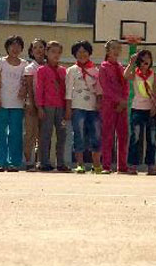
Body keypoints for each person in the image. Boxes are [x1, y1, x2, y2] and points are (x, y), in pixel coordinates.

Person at [0, 35, 28, 172]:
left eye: (18, 45)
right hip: (1, 103)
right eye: (12, 45)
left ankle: (14, 162)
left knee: (16, 134)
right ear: (7, 47)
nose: (15, 48)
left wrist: (24, 91)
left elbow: (25, 82)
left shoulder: (25, 64)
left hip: (18, 104)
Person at [66, 40, 101, 174]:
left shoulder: (96, 70)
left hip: (93, 107)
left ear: (89, 53)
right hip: (78, 105)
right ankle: (80, 164)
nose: (82, 54)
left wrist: (99, 102)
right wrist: (69, 108)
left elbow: (99, 89)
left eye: (85, 51)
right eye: (79, 52)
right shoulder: (71, 70)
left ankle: (96, 164)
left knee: (96, 134)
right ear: (75, 54)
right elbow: (68, 90)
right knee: (79, 134)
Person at [125, 49, 156, 176]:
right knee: (135, 137)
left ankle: (151, 165)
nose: (145, 62)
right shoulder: (135, 74)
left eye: (148, 59)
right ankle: (132, 165)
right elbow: (125, 76)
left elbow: (155, 92)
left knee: (151, 138)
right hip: (137, 108)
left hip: (150, 109)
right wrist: (131, 63)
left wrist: (155, 107)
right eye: (143, 59)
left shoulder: (154, 75)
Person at [35, 41, 69, 172]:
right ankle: (44, 162)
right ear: (47, 53)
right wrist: (40, 107)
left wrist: (67, 108)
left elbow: (66, 90)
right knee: (45, 134)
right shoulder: (42, 70)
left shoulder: (63, 71)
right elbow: (39, 89)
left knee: (62, 134)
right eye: (53, 52)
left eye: (59, 52)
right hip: (47, 106)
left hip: (60, 106)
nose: (56, 55)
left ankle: (60, 162)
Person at [98, 40, 130, 174]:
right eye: (114, 48)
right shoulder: (104, 67)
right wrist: (118, 100)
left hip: (122, 106)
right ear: (108, 51)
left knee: (123, 135)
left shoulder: (121, 67)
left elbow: (126, 85)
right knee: (107, 135)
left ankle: (122, 165)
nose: (116, 51)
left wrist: (124, 101)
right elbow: (106, 88)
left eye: (119, 48)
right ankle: (106, 165)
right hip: (109, 105)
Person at [22, 38, 47, 171]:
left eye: (41, 47)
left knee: (43, 135)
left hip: (46, 105)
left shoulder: (49, 66)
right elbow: (29, 88)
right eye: (35, 48)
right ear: (31, 51)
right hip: (32, 105)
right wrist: (31, 103)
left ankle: (40, 162)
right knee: (30, 133)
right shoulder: (30, 67)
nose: (38, 50)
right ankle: (28, 161)